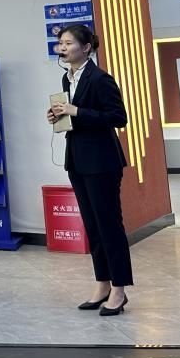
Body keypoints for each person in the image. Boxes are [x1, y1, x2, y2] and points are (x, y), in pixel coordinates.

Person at [48, 24, 133, 316]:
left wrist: (77, 111)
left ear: (86, 48)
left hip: (102, 161)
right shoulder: (67, 77)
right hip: (77, 159)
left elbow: (118, 117)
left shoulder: (100, 78)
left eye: (69, 43)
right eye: (61, 43)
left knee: (109, 226)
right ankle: (102, 284)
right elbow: (76, 117)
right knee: (92, 226)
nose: (63, 48)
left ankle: (119, 289)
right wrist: (59, 116)